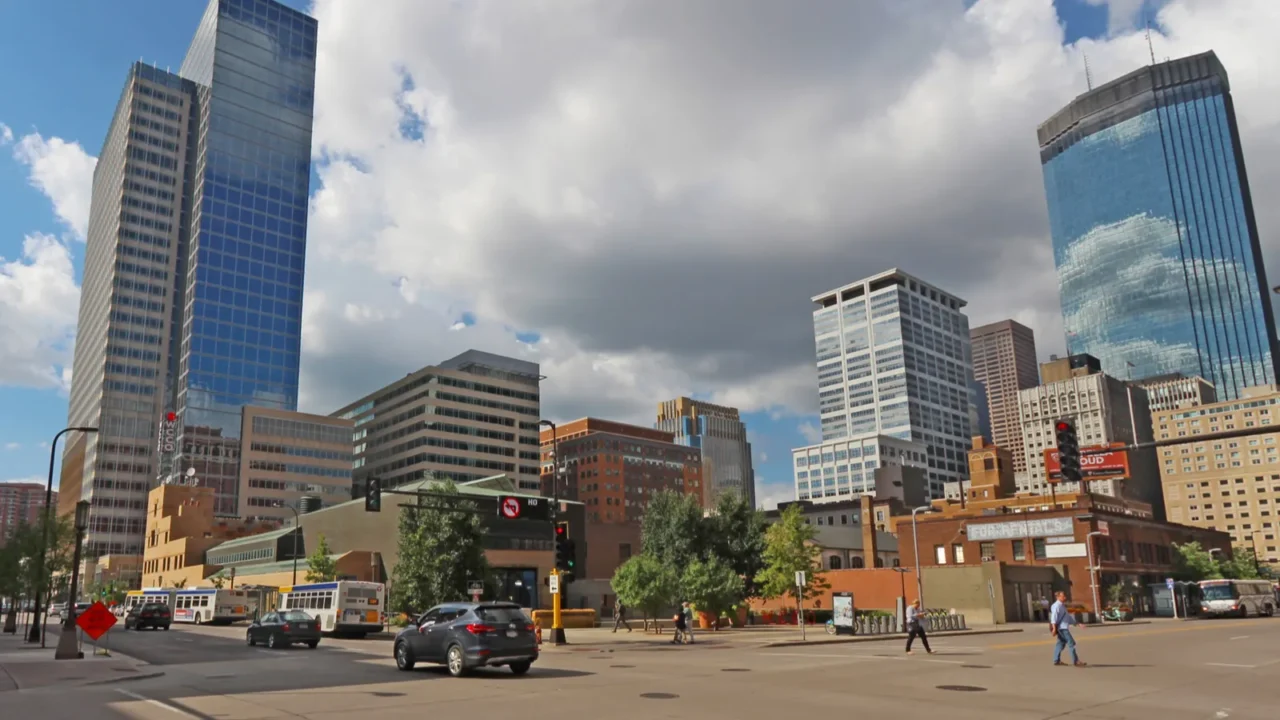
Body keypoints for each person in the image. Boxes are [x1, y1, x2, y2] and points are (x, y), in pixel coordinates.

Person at [1050, 591, 1086, 667]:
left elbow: (1068, 618)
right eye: (1063, 596)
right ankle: (1076, 661)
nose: (1065, 597)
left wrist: (1078, 624)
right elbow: (1054, 617)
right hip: (1062, 628)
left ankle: (1056, 660)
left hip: (1063, 627)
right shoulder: (1056, 606)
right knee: (1071, 643)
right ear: (1058, 597)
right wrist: (1054, 628)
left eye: (1064, 596)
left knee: (1060, 644)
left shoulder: (1062, 606)